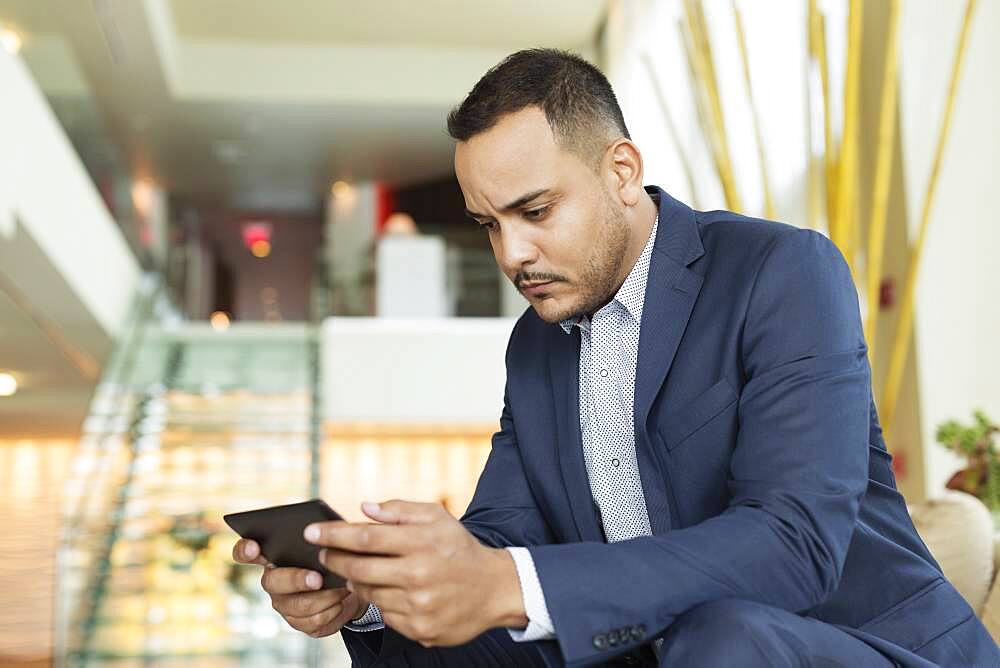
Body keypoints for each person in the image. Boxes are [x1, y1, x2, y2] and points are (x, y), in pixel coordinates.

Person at [232, 49, 999, 667]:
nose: (512, 253)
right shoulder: (534, 347)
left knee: (716, 636)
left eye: (535, 212)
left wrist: (511, 582)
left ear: (621, 172)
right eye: (487, 225)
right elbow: (500, 551)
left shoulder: (782, 271)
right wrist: (375, 594)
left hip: (866, 650)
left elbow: (794, 542)